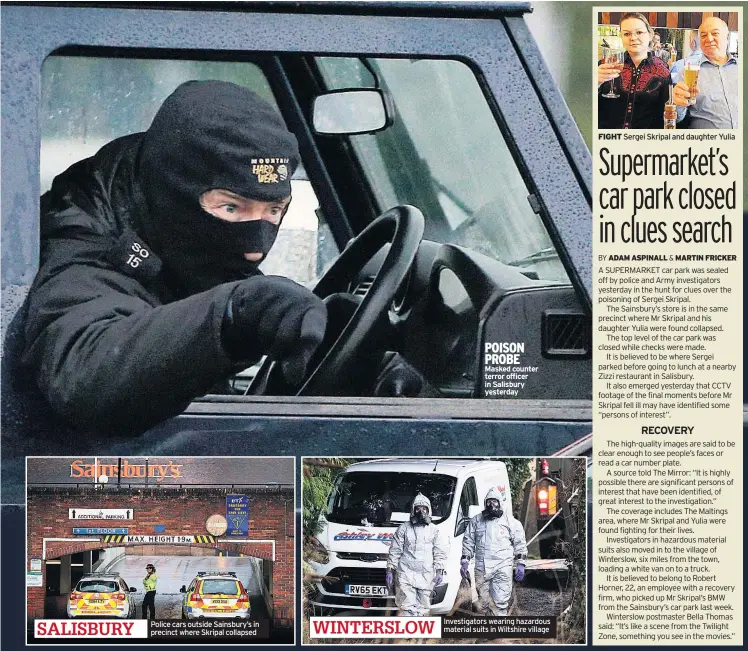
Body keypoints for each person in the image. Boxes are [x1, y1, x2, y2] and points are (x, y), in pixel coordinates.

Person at [21, 80, 327, 435]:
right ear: (169, 192)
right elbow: (83, 372)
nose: (255, 249)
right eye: (231, 207)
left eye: (274, 210)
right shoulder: (84, 240)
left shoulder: (170, 243)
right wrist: (232, 315)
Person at [460, 487, 528, 616]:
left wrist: (521, 563)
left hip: (502, 567)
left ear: (500, 502)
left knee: (500, 602)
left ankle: (497, 632)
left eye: (494, 501)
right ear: (485, 503)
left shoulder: (510, 522)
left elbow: (520, 543)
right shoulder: (476, 521)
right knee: (483, 603)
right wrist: (465, 560)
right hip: (482, 567)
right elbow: (468, 540)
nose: (491, 505)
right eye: (489, 502)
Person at [598, 13, 671, 129]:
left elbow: (665, 113)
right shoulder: (605, 65)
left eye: (639, 32)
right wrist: (594, 84)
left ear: (650, 34)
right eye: (626, 34)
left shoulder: (663, 70)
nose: (633, 38)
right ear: (621, 37)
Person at [386, 493, 449, 616]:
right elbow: (395, 550)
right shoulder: (403, 528)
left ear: (429, 510)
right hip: (406, 573)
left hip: (425, 574)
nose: (421, 511)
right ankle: (408, 633)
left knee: (423, 609)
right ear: (413, 510)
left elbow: (439, 552)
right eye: (418, 509)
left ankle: (420, 634)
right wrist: (390, 569)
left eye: (424, 509)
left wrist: (439, 570)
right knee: (406, 608)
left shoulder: (434, 530)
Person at [672, 17, 738, 129]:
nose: (709, 39)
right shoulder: (687, 71)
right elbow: (677, 118)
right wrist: (677, 103)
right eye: (703, 35)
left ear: (727, 37)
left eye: (715, 33)